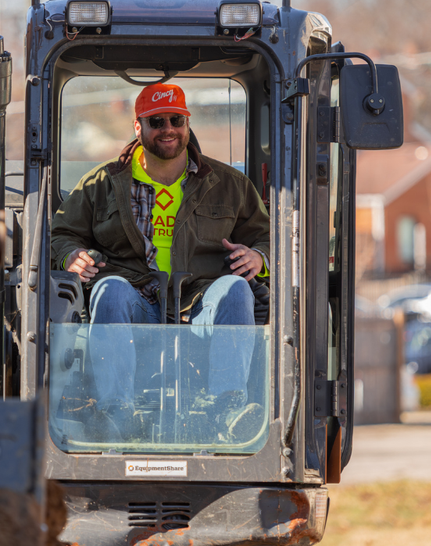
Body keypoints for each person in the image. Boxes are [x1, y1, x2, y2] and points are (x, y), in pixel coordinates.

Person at [51, 82, 270, 441]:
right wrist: (71, 255)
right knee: (109, 289)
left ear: (187, 123)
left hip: (200, 305)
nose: (168, 129)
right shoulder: (102, 183)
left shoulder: (230, 185)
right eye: (156, 121)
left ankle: (227, 409)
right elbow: (61, 233)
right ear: (138, 127)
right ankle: (116, 412)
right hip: (136, 304)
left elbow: (268, 235)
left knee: (235, 288)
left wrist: (258, 256)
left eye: (176, 120)